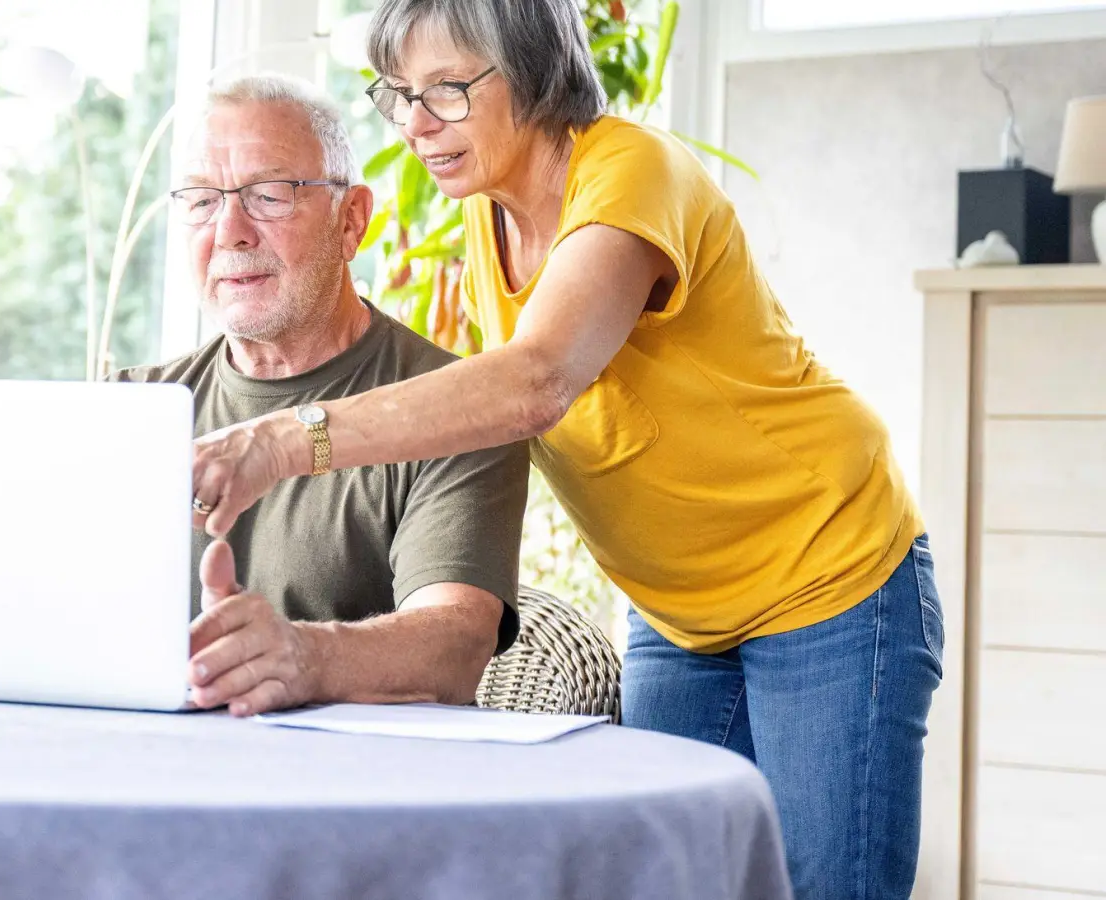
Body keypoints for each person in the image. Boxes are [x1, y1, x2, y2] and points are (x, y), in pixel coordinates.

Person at [187, 2, 942, 897]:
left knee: (825, 888)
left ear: (535, 68)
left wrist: (287, 438)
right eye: (401, 95)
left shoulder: (631, 170)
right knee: (673, 875)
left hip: (829, 574)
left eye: (449, 92)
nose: (418, 125)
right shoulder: (488, 215)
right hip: (677, 612)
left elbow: (536, 379)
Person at [0, 72, 531, 721]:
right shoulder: (126, 413)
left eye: (268, 193)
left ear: (351, 218)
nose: (229, 230)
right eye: (199, 199)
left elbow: (454, 647)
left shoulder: (454, 406)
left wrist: (305, 656)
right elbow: (5, 604)